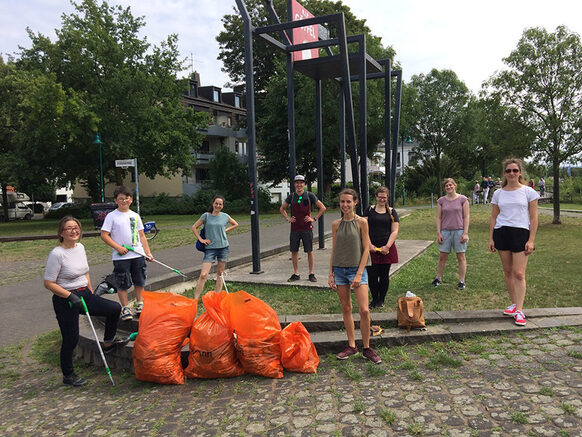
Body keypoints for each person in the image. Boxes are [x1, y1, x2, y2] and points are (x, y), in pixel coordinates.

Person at [44, 216, 126, 387]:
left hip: (84, 295)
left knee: (114, 308)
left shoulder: (80, 247)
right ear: (61, 232)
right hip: (65, 299)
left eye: (76, 227)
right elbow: (49, 283)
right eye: (69, 228)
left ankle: (108, 342)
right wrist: (70, 296)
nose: (74, 231)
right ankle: (68, 375)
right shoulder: (57, 254)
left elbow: (85, 271)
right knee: (71, 338)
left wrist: (89, 290)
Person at [328, 188, 381, 364]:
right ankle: (352, 345)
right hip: (340, 270)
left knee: (364, 310)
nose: (345, 205)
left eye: (348, 201)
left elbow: (366, 248)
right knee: (346, 308)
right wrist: (331, 273)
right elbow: (334, 249)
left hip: (357, 270)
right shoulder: (336, 224)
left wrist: (359, 273)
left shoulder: (362, 222)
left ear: (355, 202)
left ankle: (367, 347)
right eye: (342, 202)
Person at [488, 158, 539, 327]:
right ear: (504, 173)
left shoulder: (528, 192)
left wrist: (531, 240)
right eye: (508, 171)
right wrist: (491, 238)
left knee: (519, 273)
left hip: (520, 233)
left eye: (515, 171)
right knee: (508, 272)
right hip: (502, 232)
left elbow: (533, 217)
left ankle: (519, 310)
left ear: (520, 173)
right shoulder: (498, 193)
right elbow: (494, 217)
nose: (511, 173)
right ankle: (514, 304)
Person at [101, 186, 153, 321]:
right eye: (120, 199)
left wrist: (147, 252)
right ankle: (125, 308)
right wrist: (118, 247)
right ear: (116, 201)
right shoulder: (111, 216)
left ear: (131, 200)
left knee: (140, 279)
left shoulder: (135, 216)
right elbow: (104, 235)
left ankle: (140, 303)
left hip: (138, 254)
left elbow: (142, 236)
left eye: (126, 198)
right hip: (121, 257)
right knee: (122, 282)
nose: (124, 201)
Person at [280, 174, 326, 282]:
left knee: (309, 250)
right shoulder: (291, 196)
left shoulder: (309, 195)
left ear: (304, 184)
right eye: (297, 183)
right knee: (294, 251)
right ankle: (296, 273)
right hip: (295, 228)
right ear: (294, 184)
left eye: (301, 183)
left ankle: (311, 273)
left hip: (307, 227)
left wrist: (314, 219)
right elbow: (282, 209)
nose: (299, 185)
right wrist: (288, 218)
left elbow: (322, 208)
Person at [192, 195, 239, 299]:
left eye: (220, 204)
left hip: (223, 248)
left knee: (220, 273)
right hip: (210, 249)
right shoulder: (206, 216)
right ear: (213, 204)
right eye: (216, 203)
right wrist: (201, 240)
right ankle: (195, 299)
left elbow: (235, 224)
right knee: (203, 275)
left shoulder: (225, 216)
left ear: (222, 206)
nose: (218, 205)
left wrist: (225, 231)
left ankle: (217, 297)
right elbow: (194, 227)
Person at [364, 186, 399, 308]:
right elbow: (364, 229)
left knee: (384, 275)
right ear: (376, 197)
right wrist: (369, 245)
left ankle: (381, 300)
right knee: (372, 275)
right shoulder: (369, 210)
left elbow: (394, 231)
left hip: (386, 248)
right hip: (371, 248)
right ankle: (374, 299)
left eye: (384, 197)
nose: (382, 199)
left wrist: (387, 246)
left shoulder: (392, 211)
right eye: (380, 197)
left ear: (387, 197)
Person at [431, 178, 470, 290]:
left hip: (459, 231)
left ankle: (462, 281)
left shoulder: (463, 199)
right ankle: (438, 278)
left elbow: (466, 217)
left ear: (455, 186)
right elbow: (438, 217)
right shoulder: (441, 201)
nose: (448, 187)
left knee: (460, 256)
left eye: (450, 185)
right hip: (445, 231)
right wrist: (439, 233)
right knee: (442, 256)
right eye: (446, 186)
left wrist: (465, 233)